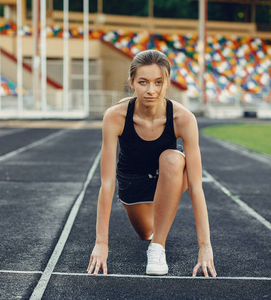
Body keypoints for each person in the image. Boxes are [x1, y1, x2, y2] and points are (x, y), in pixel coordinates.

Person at [87, 49, 217, 278]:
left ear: (167, 82)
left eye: (158, 82)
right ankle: (154, 233)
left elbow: (197, 186)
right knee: (146, 230)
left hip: (169, 177)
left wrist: (205, 247)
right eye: (143, 82)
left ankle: (157, 248)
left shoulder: (183, 118)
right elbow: (106, 184)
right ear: (132, 82)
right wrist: (101, 243)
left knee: (173, 158)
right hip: (133, 184)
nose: (151, 90)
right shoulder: (115, 117)